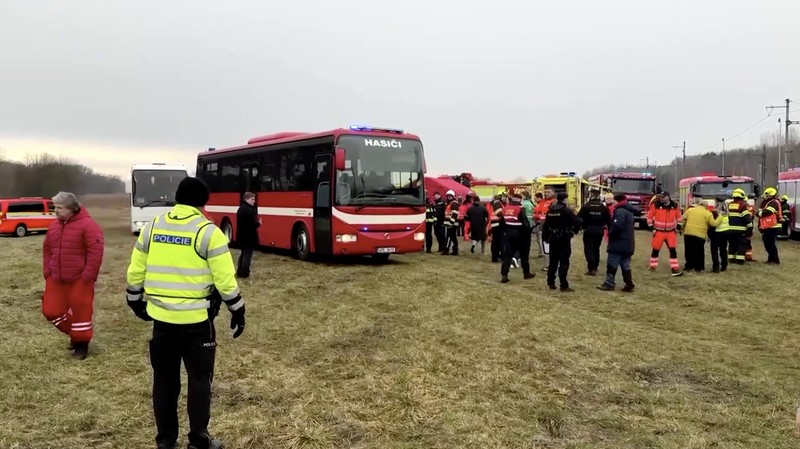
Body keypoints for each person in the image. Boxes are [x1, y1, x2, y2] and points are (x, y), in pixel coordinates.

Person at [125, 177, 246, 449]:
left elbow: (136, 269)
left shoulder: (153, 227)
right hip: (197, 323)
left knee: (164, 382)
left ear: (176, 197)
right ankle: (198, 439)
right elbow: (225, 281)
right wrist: (237, 309)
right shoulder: (209, 232)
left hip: (162, 321)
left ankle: (166, 441)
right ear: (204, 201)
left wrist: (134, 299)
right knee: (200, 381)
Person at [41, 191, 105, 360]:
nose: (56, 211)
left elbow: (95, 252)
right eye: (55, 207)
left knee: (81, 312)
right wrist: (47, 270)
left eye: (60, 208)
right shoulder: (54, 226)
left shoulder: (88, 226)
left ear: (72, 208)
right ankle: (76, 335)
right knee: (50, 311)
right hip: (55, 277)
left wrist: (87, 276)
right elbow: (47, 248)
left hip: (80, 279)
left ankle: (81, 345)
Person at [542, 192, 580, 292]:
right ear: (565, 199)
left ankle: (551, 283)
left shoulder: (550, 210)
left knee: (553, 261)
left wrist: (546, 237)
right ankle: (563, 285)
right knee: (564, 261)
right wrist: (573, 231)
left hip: (553, 238)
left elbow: (546, 225)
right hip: (563, 238)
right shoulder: (566, 210)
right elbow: (576, 221)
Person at [597, 194, 635, 292]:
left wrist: (610, 233)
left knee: (612, 264)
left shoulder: (619, 212)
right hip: (628, 243)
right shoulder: (629, 211)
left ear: (617, 201)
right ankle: (629, 283)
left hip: (618, 243)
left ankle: (609, 283)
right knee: (625, 264)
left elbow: (618, 226)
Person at [499, 193, 535, 283]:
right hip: (520, 234)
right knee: (524, 255)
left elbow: (502, 223)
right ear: (519, 200)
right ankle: (526, 273)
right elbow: (525, 224)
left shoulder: (505, 208)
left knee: (507, 255)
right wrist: (528, 233)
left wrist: (504, 233)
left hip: (509, 233)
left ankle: (504, 274)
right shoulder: (520, 208)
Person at [646, 191, 683, 276]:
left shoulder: (674, 206)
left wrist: (678, 228)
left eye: (663, 197)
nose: (661, 199)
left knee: (673, 250)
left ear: (668, 197)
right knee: (655, 249)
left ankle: (675, 268)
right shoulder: (655, 205)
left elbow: (679, 218)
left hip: (670, 232)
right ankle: (652, 266)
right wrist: (652, 228)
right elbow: (649, 218)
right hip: (658, 231)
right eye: (660, 197)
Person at [680, 197, 722, 272]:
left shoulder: (690, 210)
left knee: (689, 251)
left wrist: (681, 229)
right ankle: (699, 268)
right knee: (699, 252)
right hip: (699, 235)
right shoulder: (708, 214)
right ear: (706, 206)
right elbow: (714, 224)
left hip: (688, 233)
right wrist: (720, 217)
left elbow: (682, 219)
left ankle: (689, 266)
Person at [577, 189, 610, 276]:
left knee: (588, 249)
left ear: (591, 196)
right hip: (599, 230)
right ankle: (595, 266)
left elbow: (579, 219)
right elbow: (608, 220)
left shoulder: (586, 206)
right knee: (596, 248)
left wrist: (577, 228)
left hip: (588, 230)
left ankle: (591, 267)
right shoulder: (604, 208)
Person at [235, 192, 260, 278]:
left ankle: (239, 271)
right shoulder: (249, 210)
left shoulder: (241, 209)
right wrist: (258, 223)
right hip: (249, 237)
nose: (254, 201)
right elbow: (252, 224)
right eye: (252, 199)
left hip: (241, 236)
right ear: (246, 199)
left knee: (243, 254)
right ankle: (245, 272)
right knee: (247, 255)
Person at [726, 188, 753, 265]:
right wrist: (750, 228)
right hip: (741, 230)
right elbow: (746, 218)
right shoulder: (743, 205)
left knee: (732, 245)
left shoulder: (730, 205)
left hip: (730, 229)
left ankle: (731, 259)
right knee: (741, 245)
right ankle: (740, 260)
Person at [757, 187, 783, 264]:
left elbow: (768, 212)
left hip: (773, 226)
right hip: (768, 226)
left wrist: (758, 213)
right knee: (767, 244)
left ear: (770, 195)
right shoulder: (768, 202)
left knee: (770, 244)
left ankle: (775, 260)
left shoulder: (773, 202)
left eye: (766, 195)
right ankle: (771, 259)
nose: (765, 196)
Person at [534, 188, 555, 271]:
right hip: (542, 226)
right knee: (544, 246)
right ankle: (548, 264)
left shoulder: (554, 202)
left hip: (551, 228)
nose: (546, 193)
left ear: (553, 192)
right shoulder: (543, 202)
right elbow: (539, 212)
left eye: (548, 192)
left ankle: (551, 264)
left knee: (550, 246)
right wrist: (536, 216)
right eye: (545, 192)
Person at [708, 199, 730, 273]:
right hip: (725, 232)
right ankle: (724, 265)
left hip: (717, 233)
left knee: (714, 250)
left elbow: (712, 224)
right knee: (723, 249)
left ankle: (716, 267)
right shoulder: (727, 212)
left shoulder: (715, 212)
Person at [441, 190, 460, 255]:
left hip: (452, 223)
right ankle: (455, 249)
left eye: (450, 196)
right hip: (450, 222)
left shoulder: (454, 203)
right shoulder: (449, 203)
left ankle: (446, 249)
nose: (449, 197)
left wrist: (451, 222)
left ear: (453, 196)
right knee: (452, 236)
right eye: (448, 196)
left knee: (449, 236)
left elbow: (454, 214)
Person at [488, 197, 505, 262]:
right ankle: (496, 257)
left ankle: (495, 257)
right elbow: (499, 213)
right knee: (498, 242)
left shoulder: (494, 204)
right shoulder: (497, 204)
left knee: (495, 242)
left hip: (495, 225)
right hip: (498, 225)